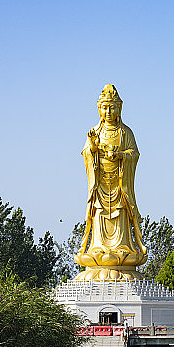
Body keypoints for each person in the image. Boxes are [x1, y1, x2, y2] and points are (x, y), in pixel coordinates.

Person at [74, 85, 147, 280]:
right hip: (100, 185)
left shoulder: (125, 133)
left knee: (121, 213)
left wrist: (120, 155)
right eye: (105, 107)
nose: (108, 112)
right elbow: (85, 154)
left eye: (112, 107)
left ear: (119, 108)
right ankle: (98, 247)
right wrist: (92, 148)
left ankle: (122, 247)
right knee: (98, 214)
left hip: (120, 185)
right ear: (99, 109)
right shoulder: (95, 132)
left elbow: (135, 154)